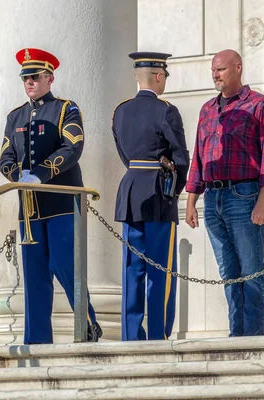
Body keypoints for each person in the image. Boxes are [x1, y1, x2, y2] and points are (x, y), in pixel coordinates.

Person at [0, 47, 102, 344]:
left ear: (49, 78)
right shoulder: (15, 115)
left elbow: (72, 148)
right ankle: (37, 339)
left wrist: (41, 174)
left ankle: (87, 323)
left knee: (64, 264)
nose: (29, 82)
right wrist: (15, 174)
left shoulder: (66, 109)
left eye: (34, 77)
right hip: (29, 207)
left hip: (61, 202)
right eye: (25, 78)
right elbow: (5, 155)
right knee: (35, 275)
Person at [185, 49, 264, 337]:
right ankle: (236, 336)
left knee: (251, 270)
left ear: (238, 68)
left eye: (221, 70)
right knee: (229, 272)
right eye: (213, 70)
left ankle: (252, 338)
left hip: (244, 195)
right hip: (212, 199)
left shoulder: (260, 105)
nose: (215, 75)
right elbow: (199, 158)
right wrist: (191, 200)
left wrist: (263, 202)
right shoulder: (207, 109)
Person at [112, 52, 189, 341]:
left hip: (131, 190)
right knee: (161, 270)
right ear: (159, 76)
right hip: (158, 194)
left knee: (133, 269)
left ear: (136, 76)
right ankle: (158, 334)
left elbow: (124, 154)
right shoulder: (166, 110)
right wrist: (175, 189)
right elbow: (181, 158)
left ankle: (131, 335)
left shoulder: (120, 111)